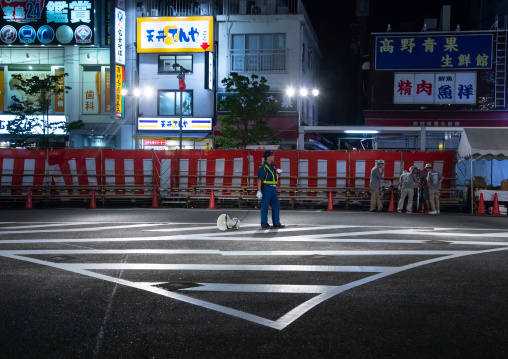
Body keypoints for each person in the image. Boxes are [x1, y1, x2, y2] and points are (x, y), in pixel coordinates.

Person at [256, 150, 285, 229]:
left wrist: (278, 173)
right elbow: (259, 179)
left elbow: (273, 178)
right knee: (265, 206)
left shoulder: (273, 166)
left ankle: (276, 223)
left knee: (276, 205)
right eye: (272, 156)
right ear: (268, 157)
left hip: (273, 188)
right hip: (266, 188)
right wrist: (259, 191)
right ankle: (264, 223)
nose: (273, 157)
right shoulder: (263, 167)